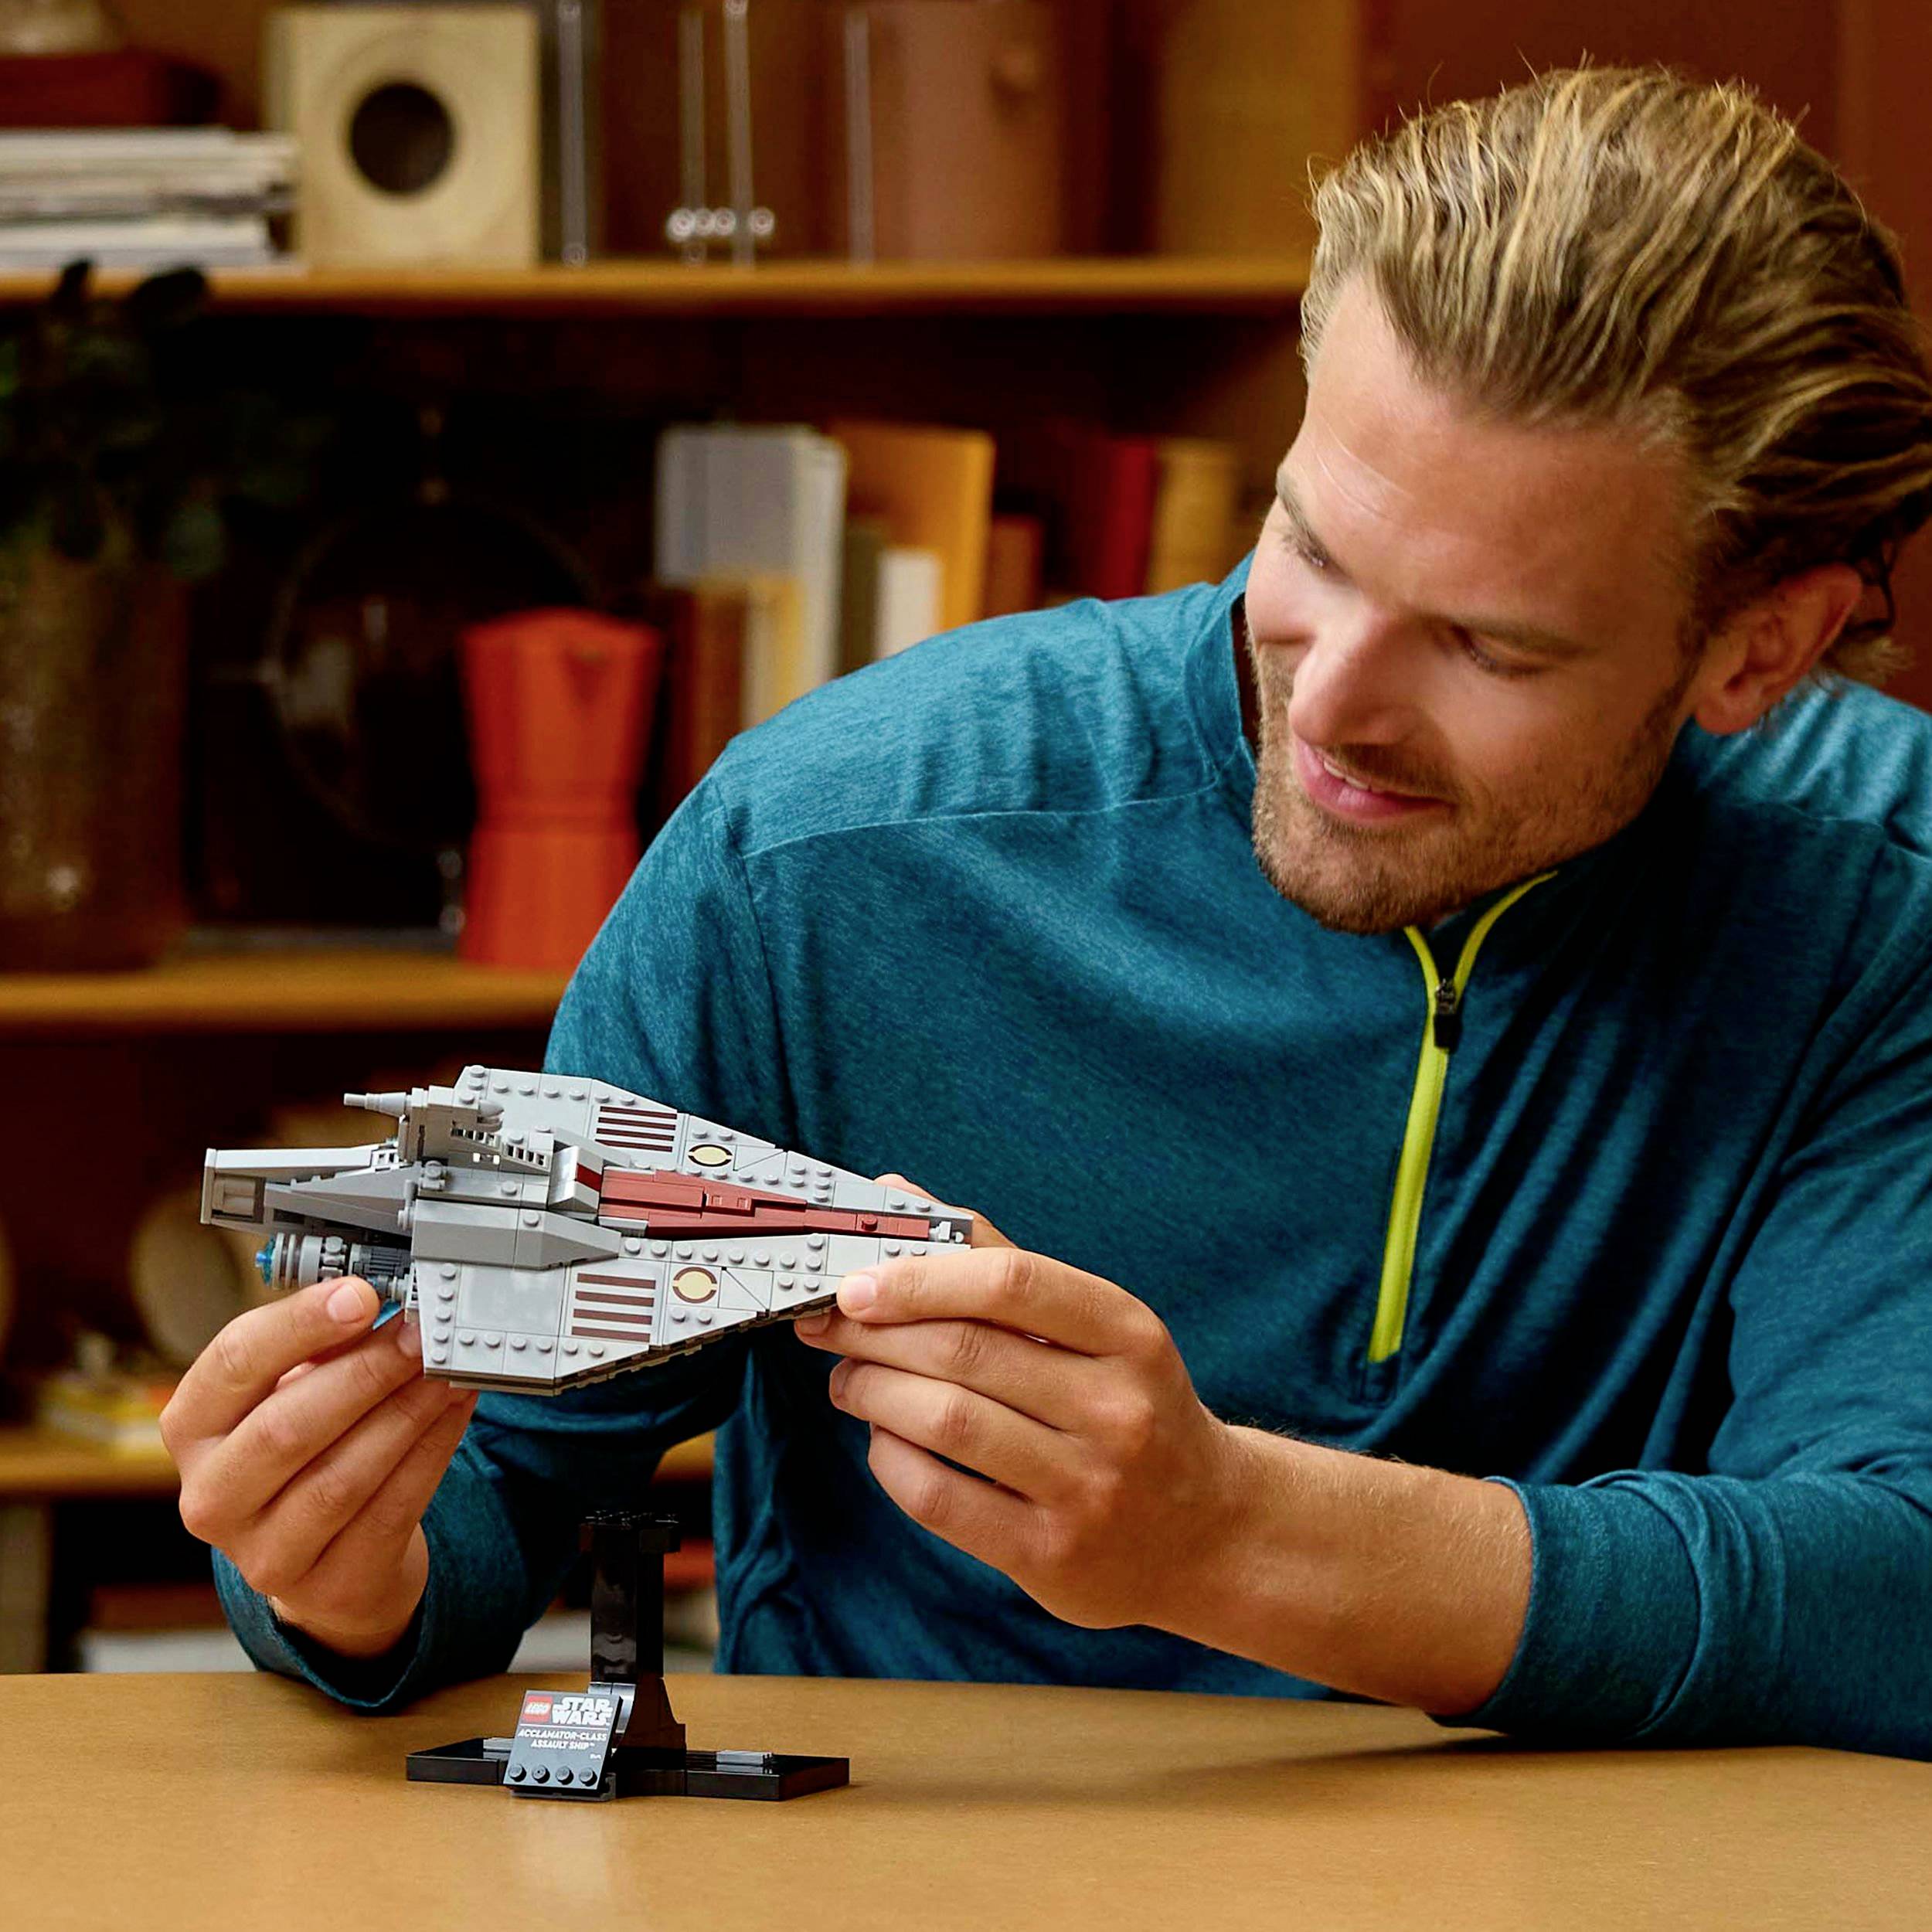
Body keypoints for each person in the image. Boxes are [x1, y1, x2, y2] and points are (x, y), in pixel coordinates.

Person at [165, 66, 1932, 1756]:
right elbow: (501, 1497)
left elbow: (1895, 1586)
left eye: (1488, 644)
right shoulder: (824, 847)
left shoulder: (1880, 904)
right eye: (1307, 549)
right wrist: (336, 1564)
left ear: (1752, 647)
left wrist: (1224, 1531)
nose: (1326, 707)